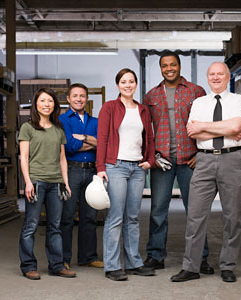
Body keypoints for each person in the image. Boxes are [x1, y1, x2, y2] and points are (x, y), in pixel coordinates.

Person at [171, 61, 241, 283]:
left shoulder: (238, 101)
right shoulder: (198, 102)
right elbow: (193, 133)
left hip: (232, 159)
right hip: (203, 162)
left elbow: (235, 128)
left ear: (227, 76)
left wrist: (206, 127)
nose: (216, 77)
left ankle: (228, 266)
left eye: (220, 74)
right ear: (208, 77)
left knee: (232, 216)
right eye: (212, 74)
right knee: (195, 216)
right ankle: (191, 267)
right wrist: (223, 128)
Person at [143, 50, 213, 274]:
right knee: (157, 211)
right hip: (162, 161)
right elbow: (146, 131)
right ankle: (155, 256)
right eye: (164, 66)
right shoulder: (151, 95)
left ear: (179, 66)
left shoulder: (196, 91)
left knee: (196, 211)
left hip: (190, 160)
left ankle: (199, 258)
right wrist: (151, 156)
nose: (169, 69)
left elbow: (207, 124)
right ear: (161, 68)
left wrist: (201, 154)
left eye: (172, 64)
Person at [97, 68, 156, 281]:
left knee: (132, 217)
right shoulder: (109, 107)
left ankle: (133, 263)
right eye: (124, 81)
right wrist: (101, 167)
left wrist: (151, 160)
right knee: (115, 217)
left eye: (131, 81)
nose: (128, 85)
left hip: (138, 168)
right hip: (116, 166)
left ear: (136, 84)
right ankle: (112, 266)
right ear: (118, 85)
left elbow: (149, 137)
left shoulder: (143, 110)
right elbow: (102, 138)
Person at [19, 88, 76, 280]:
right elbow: (24, 157)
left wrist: (66, 183)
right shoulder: (28, 128)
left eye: (50, 101)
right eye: (43, 101)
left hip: (56, 184)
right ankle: (28, 266)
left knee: (55, 226)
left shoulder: (58, 130)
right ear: (36, 104)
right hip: (36, 182)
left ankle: (57, 265)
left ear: (55, 105)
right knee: (31, 225)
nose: (47, 104)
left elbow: (62, 159)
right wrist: (28, 182)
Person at [59, 83, 103, 268]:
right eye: (75, 95)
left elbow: (103, 143)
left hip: (92, 171)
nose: (79, 99)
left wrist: (83, 138)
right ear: (69, 99)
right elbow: (69, 146)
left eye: (82, 96)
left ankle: (88, 257)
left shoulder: (95, 122)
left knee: (89, 216)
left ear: (87, 99)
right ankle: (64, 259)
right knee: (67, 216)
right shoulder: (63, 120)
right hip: (72, 170)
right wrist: (93, 142)